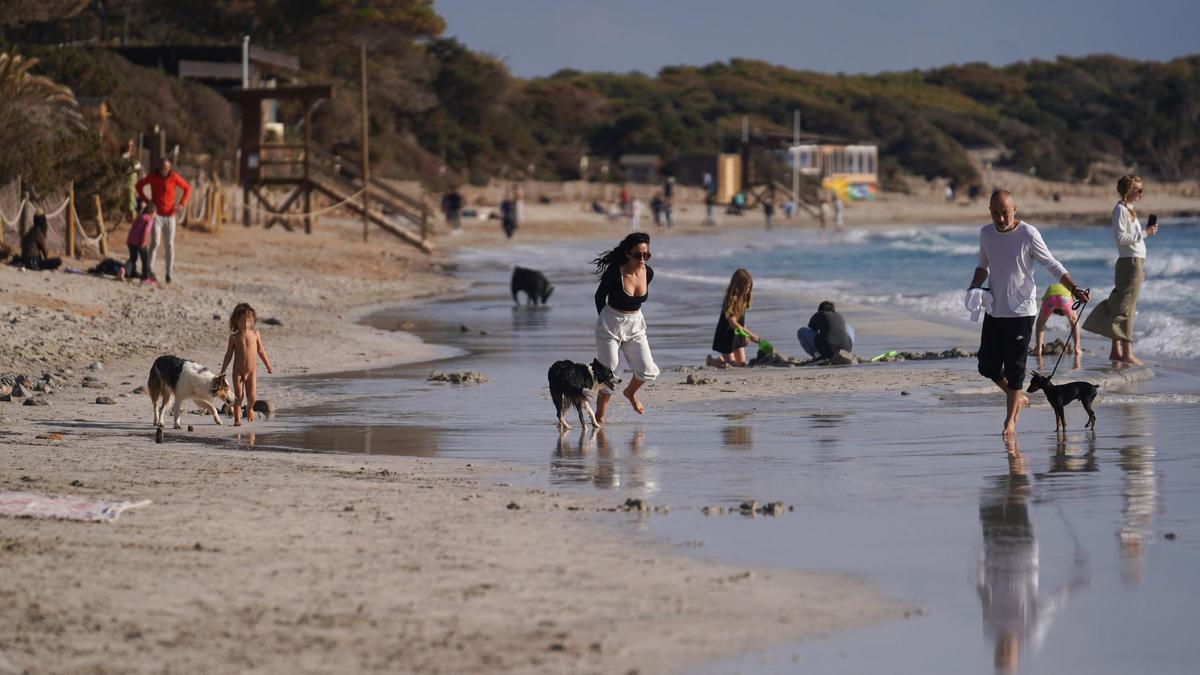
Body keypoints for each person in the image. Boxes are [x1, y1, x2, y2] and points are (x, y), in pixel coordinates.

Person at [968, 190, 1088, 438]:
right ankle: (1018, 398)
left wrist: (1073, 288)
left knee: (1015, 370)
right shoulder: (986, 233)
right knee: (987, 365)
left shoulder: (1028, 233)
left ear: (1015, 210)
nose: (1001, 219)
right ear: (989, 211)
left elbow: (1051, 264)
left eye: (1005, 213)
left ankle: (1009, 423)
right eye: (996, 214)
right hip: (994, 309)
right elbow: (983, 265)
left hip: (1021, 312)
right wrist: (973, 286)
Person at [1082, 174, 1157, 365]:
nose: (1141, 193)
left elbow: (1133, 242)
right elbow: (1122, 239)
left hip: (1134, 262)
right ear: (1127, 190)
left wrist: (1141, 264)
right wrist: (1145, 233)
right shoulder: (1120, 210)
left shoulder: (1129, 209)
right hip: (1129, 262)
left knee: (1119, 304)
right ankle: (1127, 354)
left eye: (1142, 190)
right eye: (1137, 190)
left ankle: (1116, 351)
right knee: (1126, 308)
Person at [592, 232, 660, 422]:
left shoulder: (649, 273)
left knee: (647, 369)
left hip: (636, 324)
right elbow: (599, 297)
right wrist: (604, 320)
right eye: (638, 255)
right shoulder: (615, 273)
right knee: (610, 371)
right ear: (627, 254)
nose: (642, 259)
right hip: (610, 323)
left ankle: (630, 393)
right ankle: (599, 416)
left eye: (646, 255)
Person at [135, 158, 190, 284]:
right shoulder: (153, 177)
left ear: (170, 167)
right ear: (158, 166)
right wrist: (147, 200)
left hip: (170, 216)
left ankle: (168, 273)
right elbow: (139, 186)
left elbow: (187, 188)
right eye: (161, 167)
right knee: (155, 242)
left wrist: (181, 204)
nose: (163, 170)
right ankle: (149, 270)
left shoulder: (174, 177)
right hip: (157, 216)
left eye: (166, 167)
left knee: (169, 244)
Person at [220, 302, 274, 427]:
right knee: (238, 396)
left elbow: (261, 351)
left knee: (252, 397)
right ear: (235, 321)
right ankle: (237, 419)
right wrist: (223, 369)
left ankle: (249, 409)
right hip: (237, 372)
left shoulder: (255, 334)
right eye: (242, 320)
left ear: (253, 320)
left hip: (251, 372)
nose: (245, 323)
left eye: (248, 320)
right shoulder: (234, 338)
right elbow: (228, 355)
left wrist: (268, 365)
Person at [709, 268, 759, 367]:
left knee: (741, 365)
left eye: (749, 287)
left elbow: (741, 319)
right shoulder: (731, 299)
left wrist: (744, 333)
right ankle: (712, 361)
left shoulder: (745, 297)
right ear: (738, 286)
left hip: (738, 334)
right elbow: (732, 322)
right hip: (726, 336)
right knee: (733, 366)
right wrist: (750, 334)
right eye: (745, 287)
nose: (747, 290)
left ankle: (721, 359)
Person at [1033, 282, 1081, 358]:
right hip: (1064, 299)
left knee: (1040, 323)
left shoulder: (1052, 287)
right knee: (1074, 321)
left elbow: (1040, 323)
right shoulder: (1069, 289)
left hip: (1050, 299)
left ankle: (1038, 349)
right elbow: (1074, 299)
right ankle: (1077, 348)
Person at [123, 201, 154, 281]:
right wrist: (143, 243)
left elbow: (133, 229)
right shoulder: (149, 219)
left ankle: (124, 270)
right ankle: (145, 277)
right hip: (139, 242)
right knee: (145, 259)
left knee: (133, 258)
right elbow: (146, 231)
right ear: (152, 212)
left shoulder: (139, 217)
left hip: (130, 241)